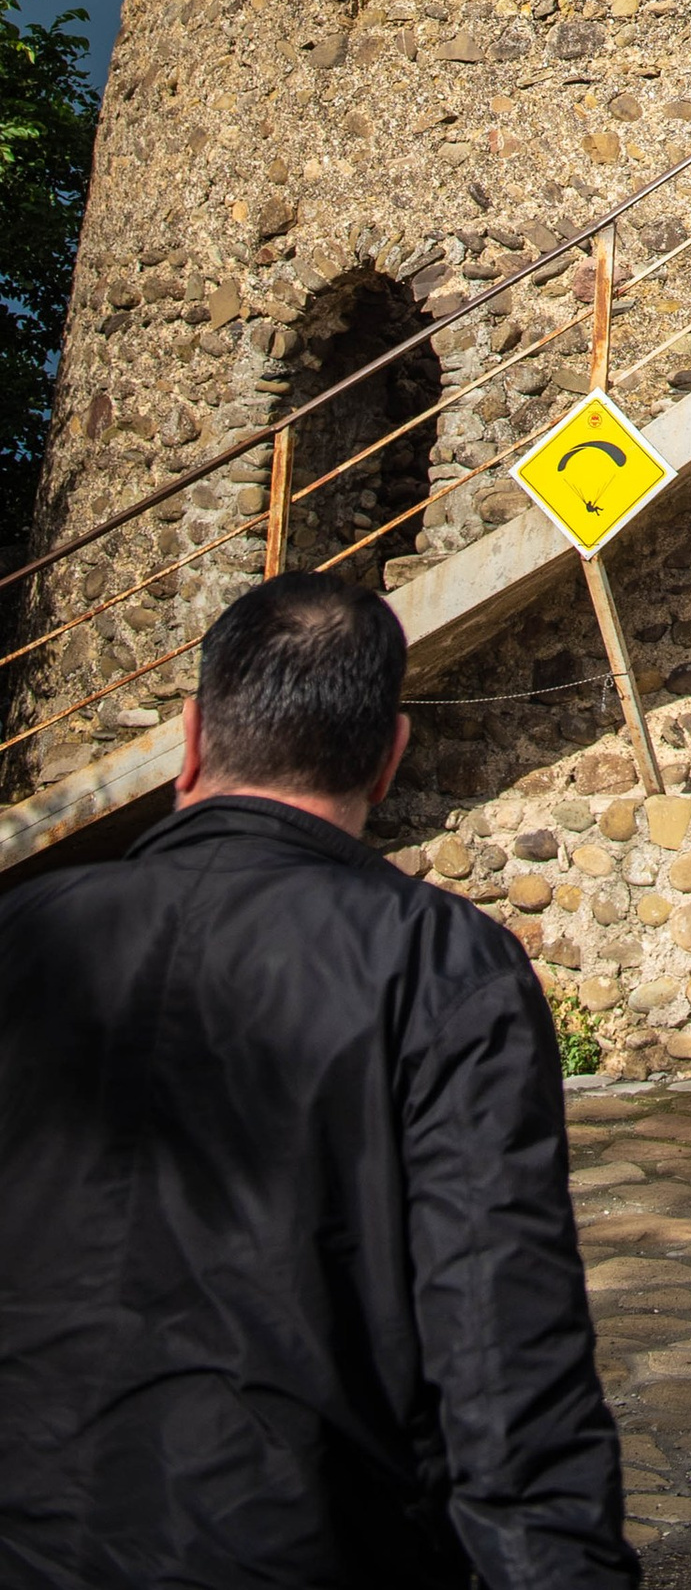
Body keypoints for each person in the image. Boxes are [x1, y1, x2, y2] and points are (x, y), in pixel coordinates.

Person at [0, 575, 635, 1590]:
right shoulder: (437, 967)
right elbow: (501, 1339)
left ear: (191, 737)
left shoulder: (26, 935)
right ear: (390, 756)